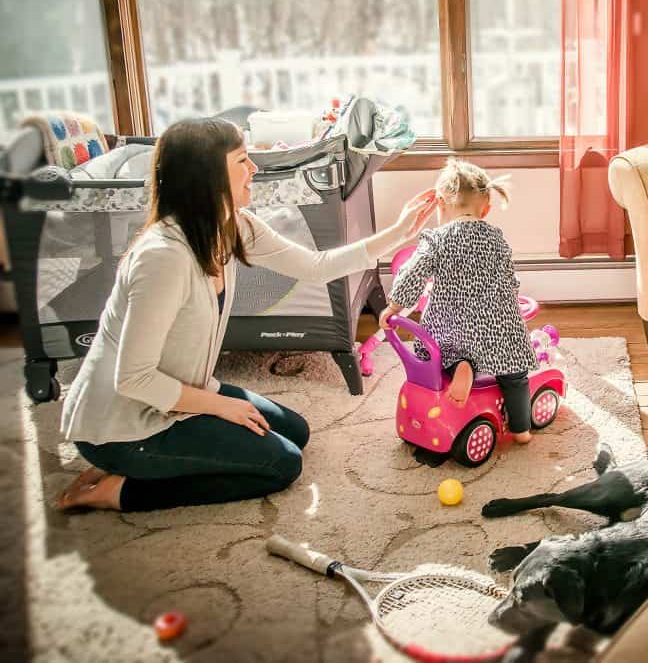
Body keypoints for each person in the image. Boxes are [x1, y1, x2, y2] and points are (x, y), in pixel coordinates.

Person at [56, 117, 436, 511]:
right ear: (208, 178)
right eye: (242, 160)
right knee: (281, 465)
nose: (254, 168)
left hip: (180, 393)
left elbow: (316, 267)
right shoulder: (162, 259)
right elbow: (133, 379)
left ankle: (154, 463)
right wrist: (221, 405)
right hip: (123, 421)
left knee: (296, 432)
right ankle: (118, 488)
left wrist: (400, 232)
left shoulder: (231, 225)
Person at [379, 158, 538, 444]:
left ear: (441, 205)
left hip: (453, 324)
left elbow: (413, 274)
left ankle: (461, 366)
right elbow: (509, 278)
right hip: (498, 326)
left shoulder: (436, 239)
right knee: (515, 374)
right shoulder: (496, 238)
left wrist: (394, 306)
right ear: (486, 209)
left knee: (448, 350)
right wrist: (510, 302)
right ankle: (522, 429)